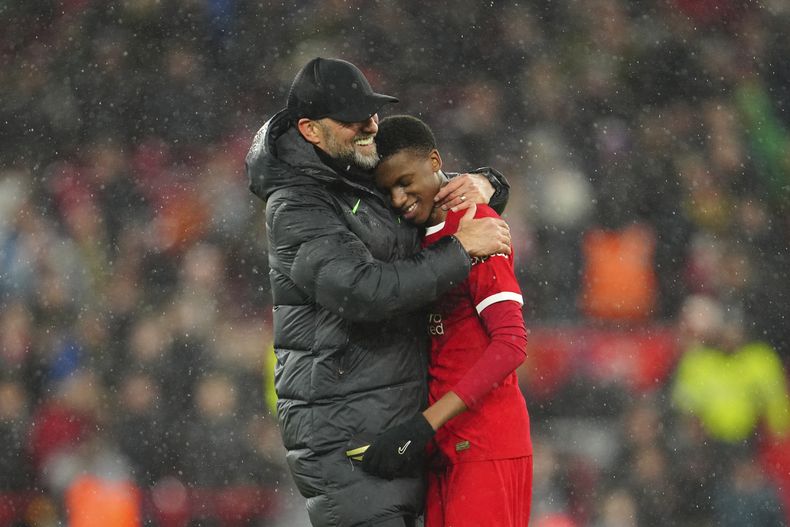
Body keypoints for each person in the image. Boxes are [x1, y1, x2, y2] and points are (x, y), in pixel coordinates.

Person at [245, 57, 512, 527]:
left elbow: (427, 187)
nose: (371, 126)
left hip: (402, 426)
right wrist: (460, 251)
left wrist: (486, 182)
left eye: (371, 113)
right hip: (345, 439)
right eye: (353, 119)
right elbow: (360, 291)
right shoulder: (296, 203)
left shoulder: (358, 170)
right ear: (310, 130)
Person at [360, 115, 532, 526]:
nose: (399, 198)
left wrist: (424, 424)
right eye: (389, 191)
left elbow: (511, 343)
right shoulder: (422, 239)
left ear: (434, 160)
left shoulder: (478, 226)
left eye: (405, 182)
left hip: (486, 444)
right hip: (446, 448)